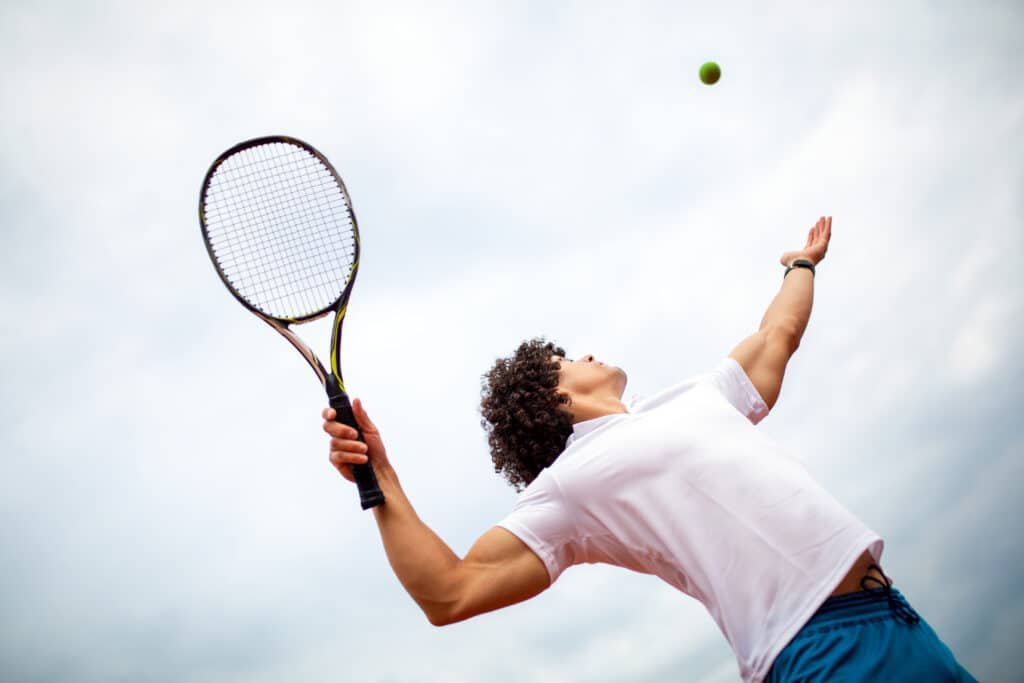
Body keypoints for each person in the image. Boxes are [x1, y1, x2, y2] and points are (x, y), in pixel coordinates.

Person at [322, 217, 976, 682]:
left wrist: (799, 265)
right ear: (548, 397)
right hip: (818, 650)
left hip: (897, 617)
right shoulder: (570, 485)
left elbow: (778, 332)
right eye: (562, 358)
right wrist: (378, 474)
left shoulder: (701, 394)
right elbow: (451, 590)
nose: (582, 353)